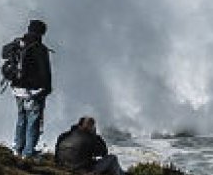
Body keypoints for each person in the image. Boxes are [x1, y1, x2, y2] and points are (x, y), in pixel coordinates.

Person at [8, 19, 53, 158]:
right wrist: (47, 89)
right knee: (33, 120)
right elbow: (45, 72)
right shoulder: (40, 48)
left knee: (21, 118)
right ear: (42, 32)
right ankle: (28, 152)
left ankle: (17, 148)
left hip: (17, 89)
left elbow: (4, 53)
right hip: (34, 91)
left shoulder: (18, 44)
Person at [55, 116, 125, 175]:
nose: (92, 127)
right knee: (112, 158)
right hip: (81, 170)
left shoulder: (64, 135)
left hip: (62, 165)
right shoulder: (90, 138)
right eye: (91, 125)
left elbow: (57, 152)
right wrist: (95, 135)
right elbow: (104, 152)